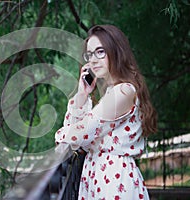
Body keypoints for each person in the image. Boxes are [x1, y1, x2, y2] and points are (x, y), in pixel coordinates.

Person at [55, 25, 157, 200]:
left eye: (100, 52)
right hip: (98, 176)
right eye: (89, 54)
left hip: (113, 180)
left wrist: (61, 135)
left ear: (116, 51)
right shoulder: (112, 92)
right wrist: (82, 93)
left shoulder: (123, 92)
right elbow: (76, 132)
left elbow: (77, 135)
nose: (93, 60)